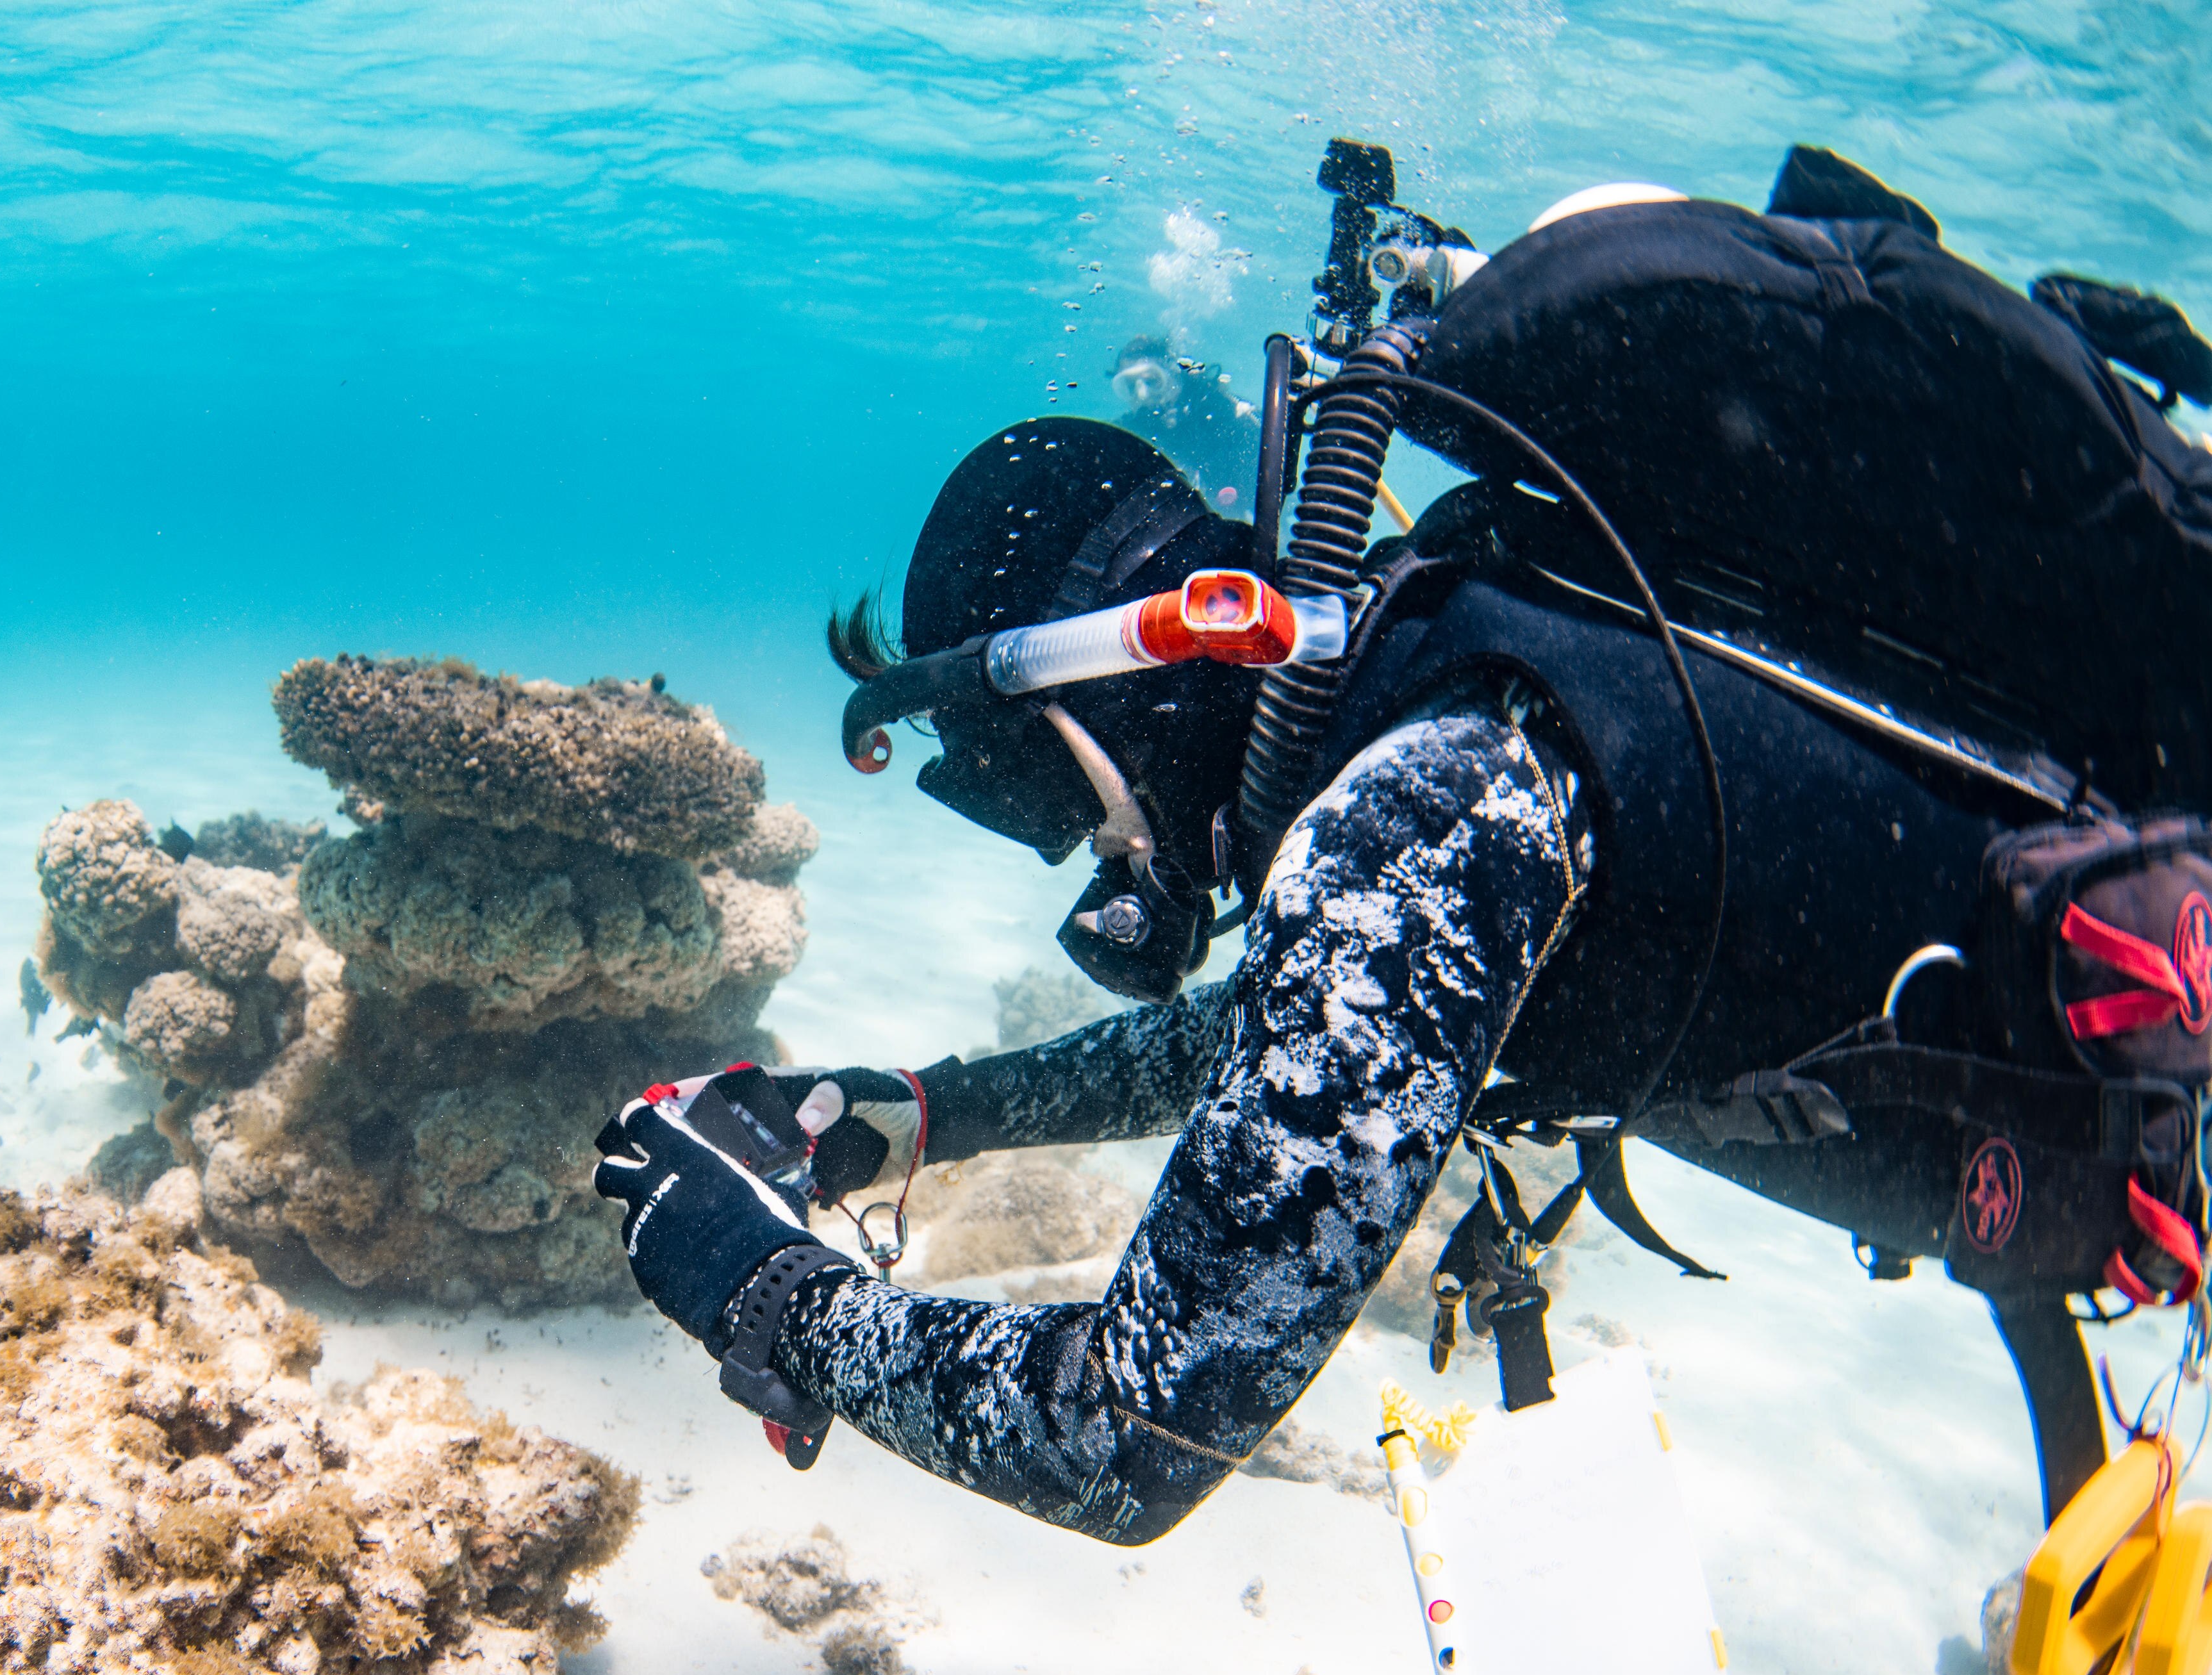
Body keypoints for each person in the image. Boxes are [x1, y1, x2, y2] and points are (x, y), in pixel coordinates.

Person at [594, 146, 2212, 1545]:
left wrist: (750, 1282)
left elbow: (1125, 1438)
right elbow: (1295, 1028)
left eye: (1026, 793)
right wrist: (929, 1115)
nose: (1070, 853)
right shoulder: (1450, 672)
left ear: (1103, 681)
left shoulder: (1418, 803)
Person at [1106, 331, 1257, 507]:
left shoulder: (1224, 414)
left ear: (1173, 374)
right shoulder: (1126, 435)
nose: (1143, 395)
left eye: (1152, 381)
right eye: (1131, 386)